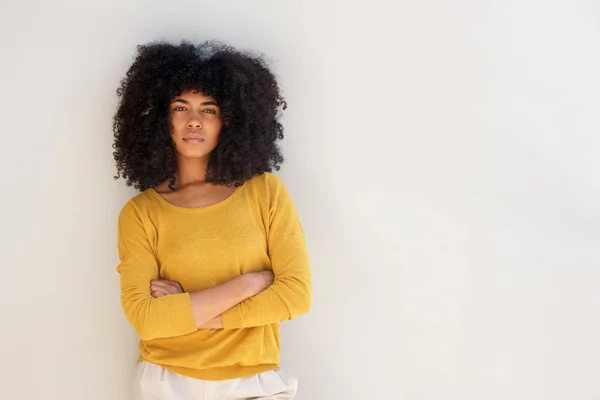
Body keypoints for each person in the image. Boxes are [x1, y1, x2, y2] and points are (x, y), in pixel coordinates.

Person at [112, 39, 312, 400]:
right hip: (166, 382)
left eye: (209, 109)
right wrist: (251, 284)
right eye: (180, 107)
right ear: (161, 118)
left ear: (229, 121)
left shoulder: (265, 192)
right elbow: (146, 319)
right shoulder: (142, 213)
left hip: (254, 382)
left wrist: (187, 306)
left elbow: (295, 295)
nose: (193, 120)